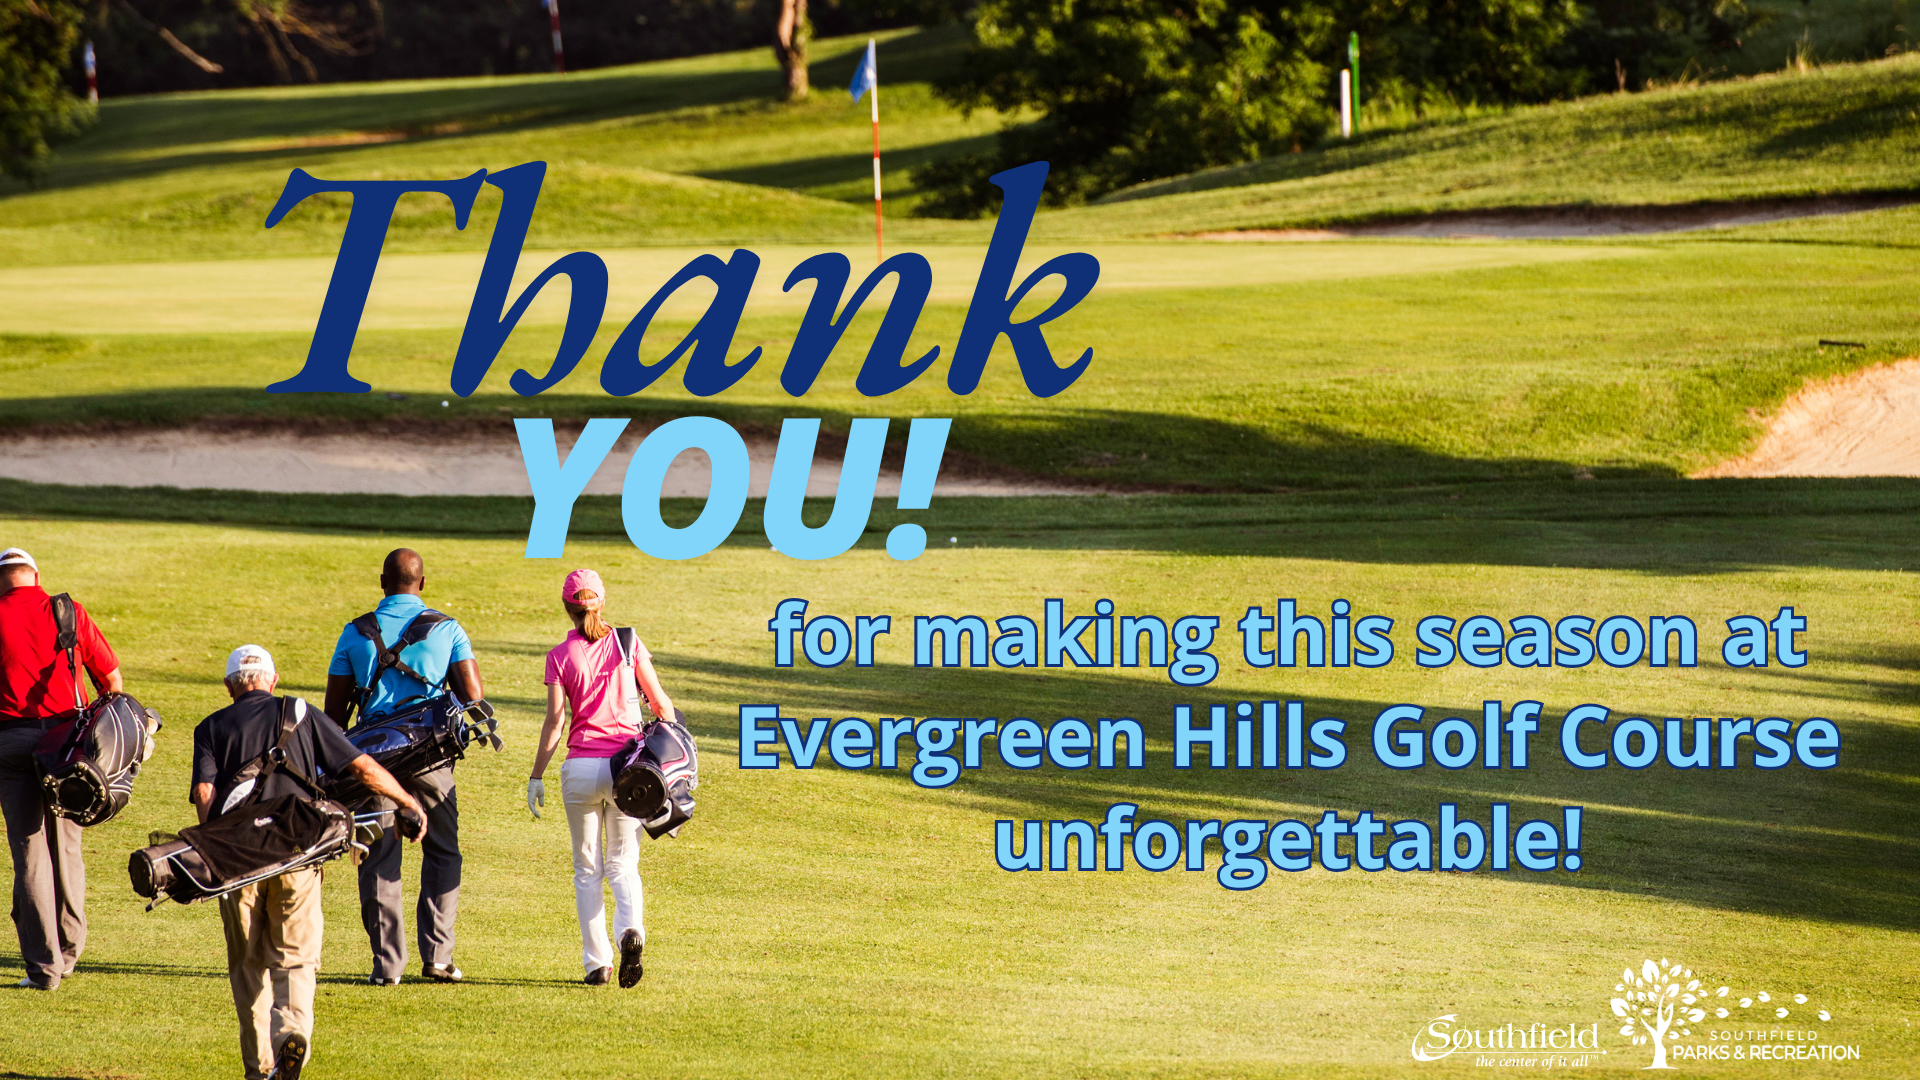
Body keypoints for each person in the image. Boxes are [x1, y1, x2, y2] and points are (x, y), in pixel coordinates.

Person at [194, 644, 426, 1080]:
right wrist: (406, 800)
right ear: (272, 680)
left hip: (238, 861)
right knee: (295, 959)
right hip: (297, 855)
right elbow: (360, 766)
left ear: (230, 687)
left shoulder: (210, 727)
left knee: (248, 966)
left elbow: (206, 795)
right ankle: (291, 1037)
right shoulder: (300, 713)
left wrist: (214, 849)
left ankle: (260, 1068)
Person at [322, 548, 484, 986]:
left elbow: (334, 716)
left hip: (373, 761)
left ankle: (387, 966)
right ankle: (438, 958)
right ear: (422, 584)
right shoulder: (448, 628)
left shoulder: (354, 633)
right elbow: (473, 694)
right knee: (443, 851)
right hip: (432, 757)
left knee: (378, 856)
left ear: (382, 583)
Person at [529, 568, 676, 987]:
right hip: (628, 772)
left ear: (567, 609)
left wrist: (536, 776)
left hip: (580, 771)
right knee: (623, 865)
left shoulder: (559, 655)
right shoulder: (628, 644)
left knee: (586, 868)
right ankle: (631, 932)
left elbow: (555, 724)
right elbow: (661, 704)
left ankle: (597, 964)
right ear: (601, 602)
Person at [0, 547, 122, 991]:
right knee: (66, 848)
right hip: (67, 748)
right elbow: (111, 680)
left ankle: (44, 969)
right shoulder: (66, 610)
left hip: (11, 745)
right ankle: (70, 953)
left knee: (30, 855)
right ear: (35, 576)